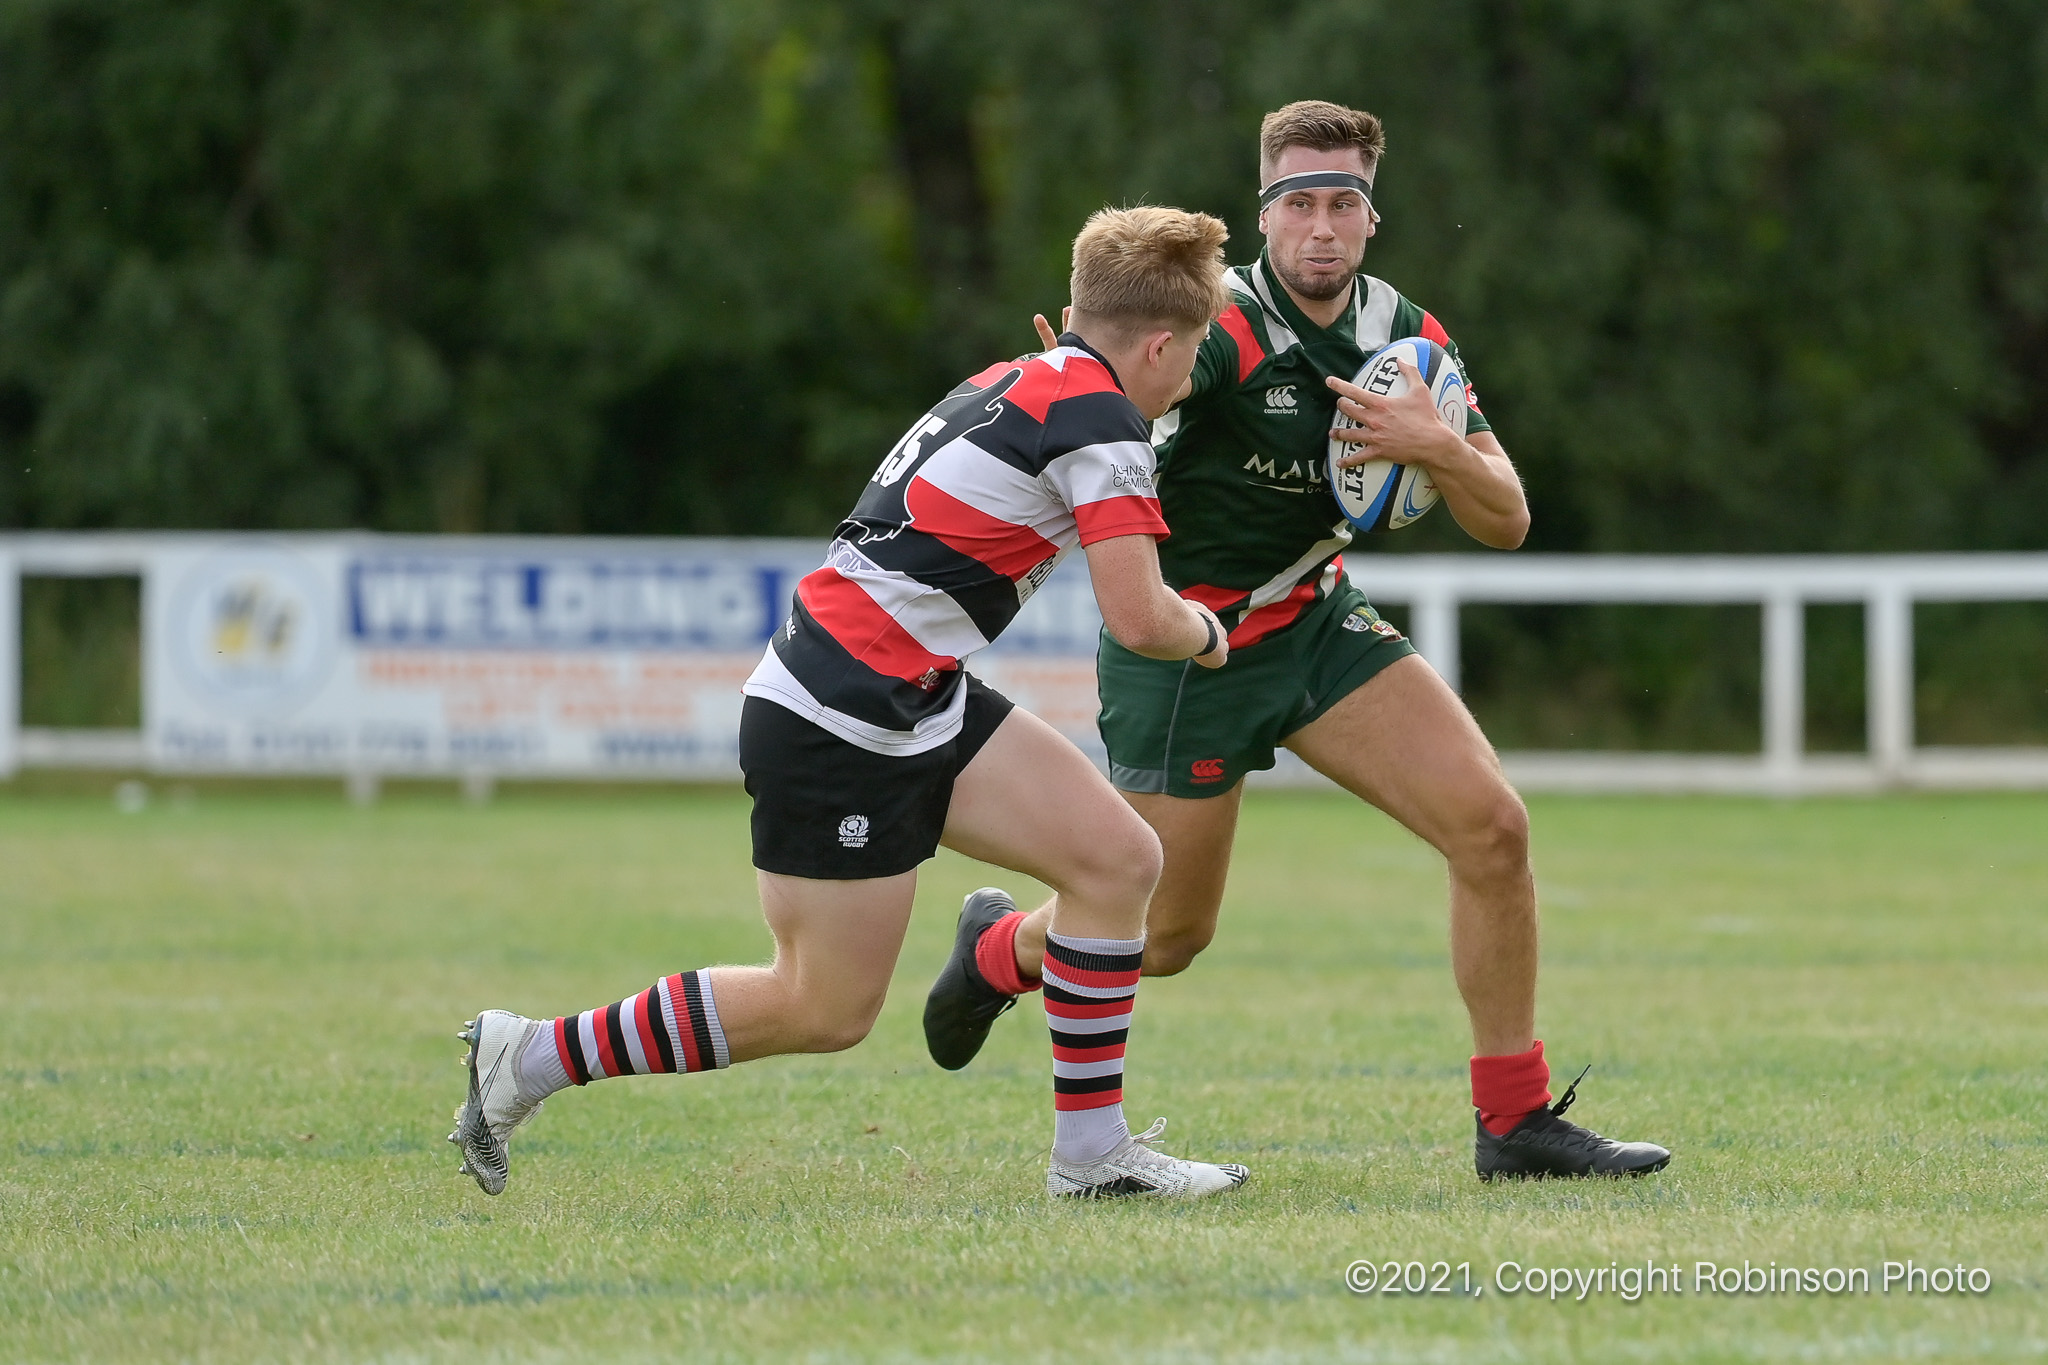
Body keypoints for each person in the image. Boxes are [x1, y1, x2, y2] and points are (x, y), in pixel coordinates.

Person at [922, 101, 1671, 1181]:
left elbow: (1503, 517)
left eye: (1343, 203)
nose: (1321, 226)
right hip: (1190, 645)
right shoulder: (1219, 326)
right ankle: (1001, 951)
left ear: (1371, 218)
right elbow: (1113, 395)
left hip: (1314, 619)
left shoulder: (1405, 340)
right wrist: (1080, 380)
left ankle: (1513, 1125)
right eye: (1298, 204)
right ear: (1263, 215)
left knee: (1491, 830)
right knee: (1170, 937)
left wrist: (1434, 445)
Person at [448, 205, 1253, 1201]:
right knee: (821, 1006)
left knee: (1119, 860)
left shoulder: (1030, 378)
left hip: (906, 692)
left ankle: (1092, 1157)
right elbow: (1140, 618)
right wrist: (1209, 633)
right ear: (1161, 342)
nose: (1199, 365)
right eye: (1202, 343)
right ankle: (528, 1058)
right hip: (841, 717)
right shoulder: (1100, 418)